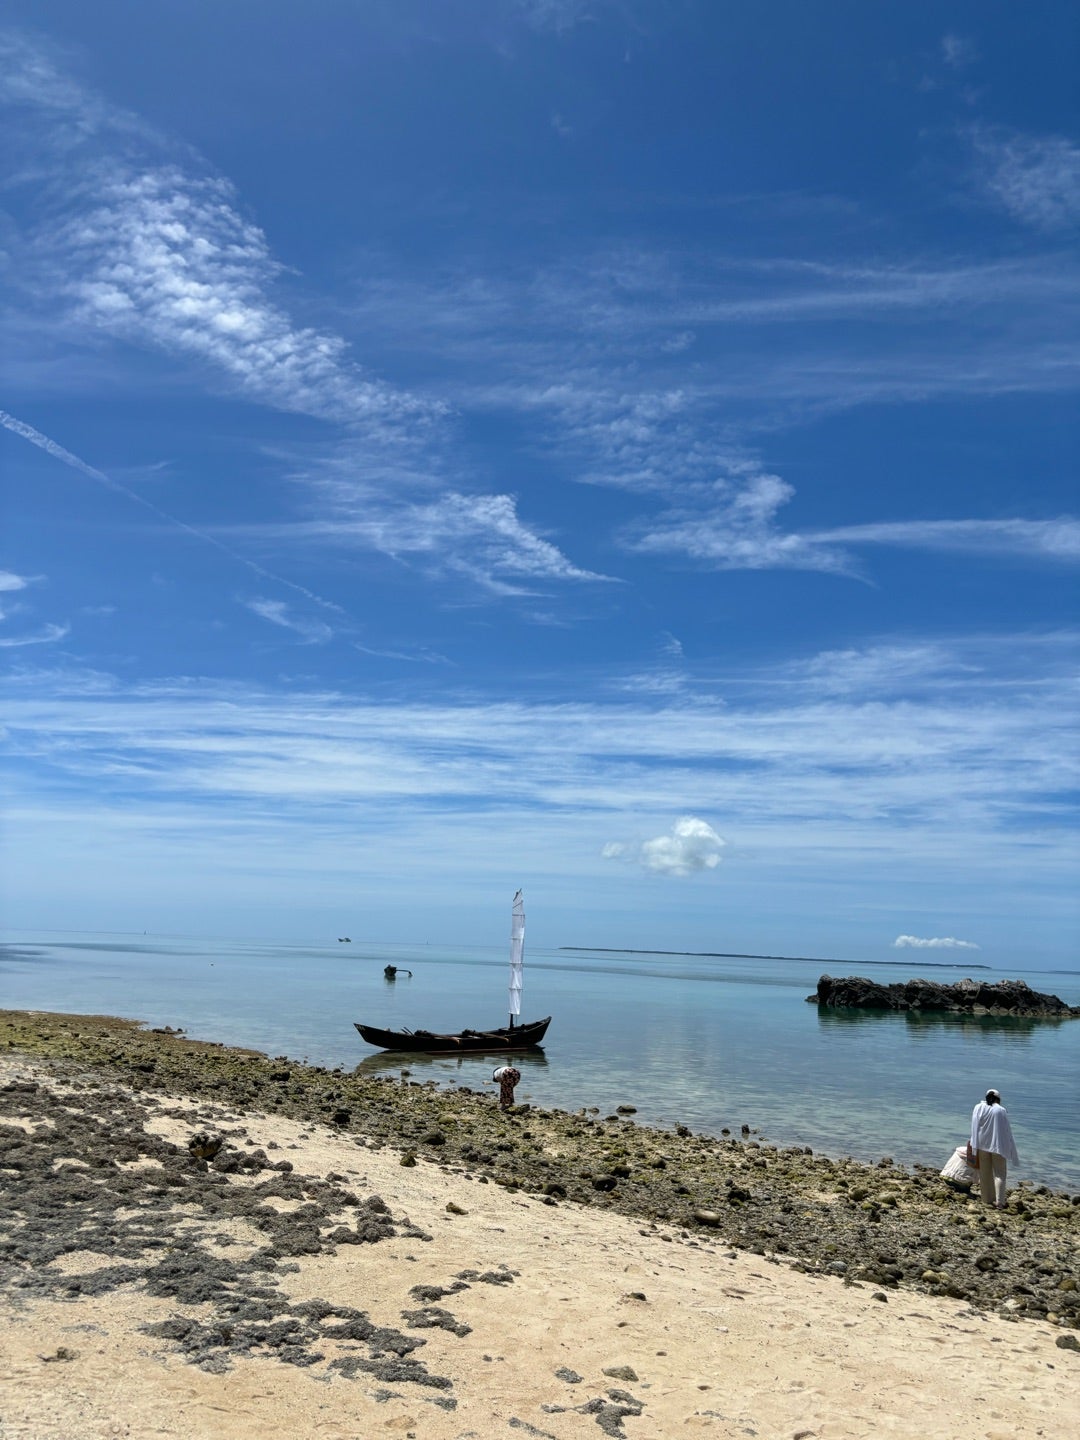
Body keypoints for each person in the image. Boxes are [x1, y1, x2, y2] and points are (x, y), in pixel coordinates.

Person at [968, 1088, 1019, 1210]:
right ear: (998, 1099)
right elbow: (1007, 1131)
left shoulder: (978, 1108)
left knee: (985, 1174)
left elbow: (974, 1127)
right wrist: (1011, 1149)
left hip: (982, 1146)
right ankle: (1000, 1202)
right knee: (1000, 1175)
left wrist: (974, 1144)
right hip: (997, 1147)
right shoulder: (1000, 1110)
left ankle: (987, 1200)